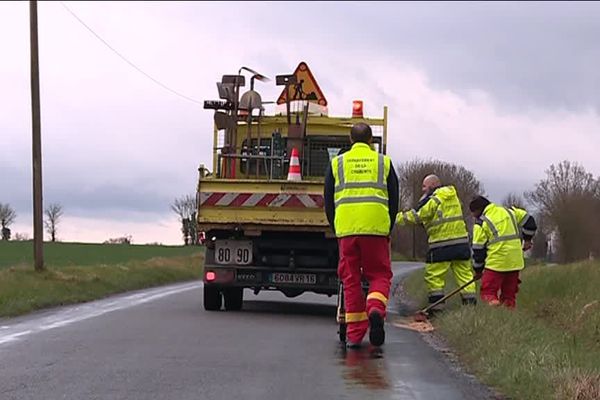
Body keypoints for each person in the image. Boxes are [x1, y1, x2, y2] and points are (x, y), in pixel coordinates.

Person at [324, 123, 399, 348]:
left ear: (350, 139)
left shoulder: (337, 163)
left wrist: (336, 226)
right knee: (379, 275)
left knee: (350, 279)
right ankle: (375, 308)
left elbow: (328, 199)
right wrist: (388, 227)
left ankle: (355, 335)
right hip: (375, 228)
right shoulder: (383, 162)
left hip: (347, 229)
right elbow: (393, 198)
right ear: (370, 140)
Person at [396, 175, 477, 312]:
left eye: (424, 186)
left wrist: (395, 218)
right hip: (461, 244)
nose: (423, 190)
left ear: (432, 185)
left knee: (434, 277)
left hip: (441, 246)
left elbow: (418, 216)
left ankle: (437, 310)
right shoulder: (453, 196)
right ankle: (470, 309)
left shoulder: (434, 199)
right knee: (465, 276)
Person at [469, 196, 537, 308]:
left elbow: (478, 250)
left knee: (488, 293)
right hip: (515, 262)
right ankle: (507, 318)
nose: (473, 217)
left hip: (496, 264)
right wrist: (528, 240)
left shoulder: (481, 223)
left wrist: (478, 271)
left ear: (477, 210)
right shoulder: (509, 212)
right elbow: (530, 222)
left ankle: (493, 309)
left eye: (473, 213)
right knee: (509, 296)